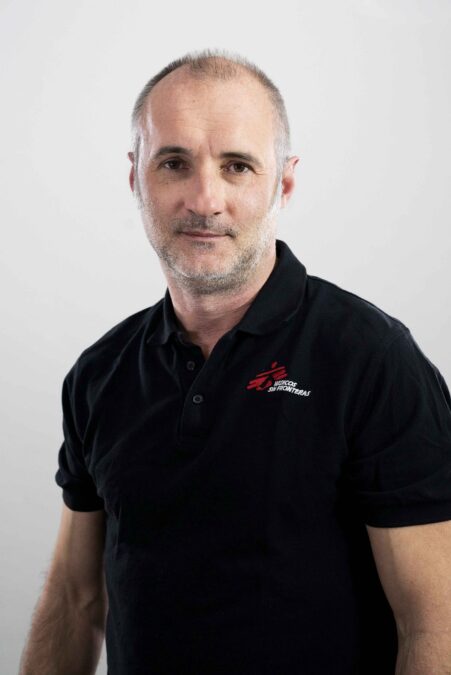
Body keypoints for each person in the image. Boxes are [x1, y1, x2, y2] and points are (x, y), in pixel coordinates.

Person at [19, 48, 451, 675]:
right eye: (174, 163)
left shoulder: (371, 360)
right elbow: (74, 600)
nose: (205, 199)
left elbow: (435, 623)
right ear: (136, 176)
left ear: (285, 182)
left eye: (237, 166)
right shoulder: (99, 374)